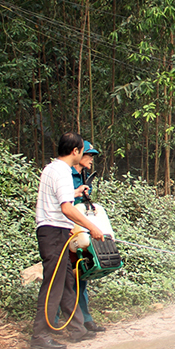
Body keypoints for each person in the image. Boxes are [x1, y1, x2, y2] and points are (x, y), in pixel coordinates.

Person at [30, 132, 104, 349]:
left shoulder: (52, 168)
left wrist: (76, 191)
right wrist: (92, 227)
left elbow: (61, 197)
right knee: (53, 285)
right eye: (82, 150)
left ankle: (77, 329)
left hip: (57, 232)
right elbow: (66, 208)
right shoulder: (62, 171)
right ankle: (40, 336)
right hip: (53, 232)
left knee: (66, 283)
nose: (83, 153)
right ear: (75, 151)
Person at [71, 140, 106, 333]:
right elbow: (64, 205)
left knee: (81, 273)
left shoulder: (84, 175)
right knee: (68, 277)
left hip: (82, 228)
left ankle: (85, 319)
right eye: (89, 155)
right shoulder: (66, 174)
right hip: (68, 230)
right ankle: (61, 321)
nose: (91, 159)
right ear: (78, 154)